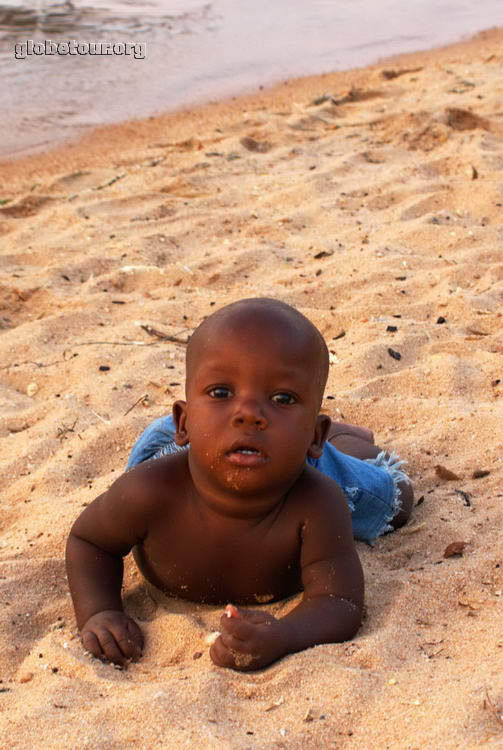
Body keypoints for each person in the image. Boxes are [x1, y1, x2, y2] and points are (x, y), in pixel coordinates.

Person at [66, 297, 413, 671]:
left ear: (315, 435)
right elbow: (90, 541)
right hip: (180, 447)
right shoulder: (148, 491)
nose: (249, 413)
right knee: (193, 441)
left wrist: (284, 634)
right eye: (221, 392)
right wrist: (99, 611)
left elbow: (340, 601)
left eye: (283, 398)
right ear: (184, 422)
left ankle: (342, 443)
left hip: (283, 457)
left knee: (396, 502)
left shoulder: (318, 502)